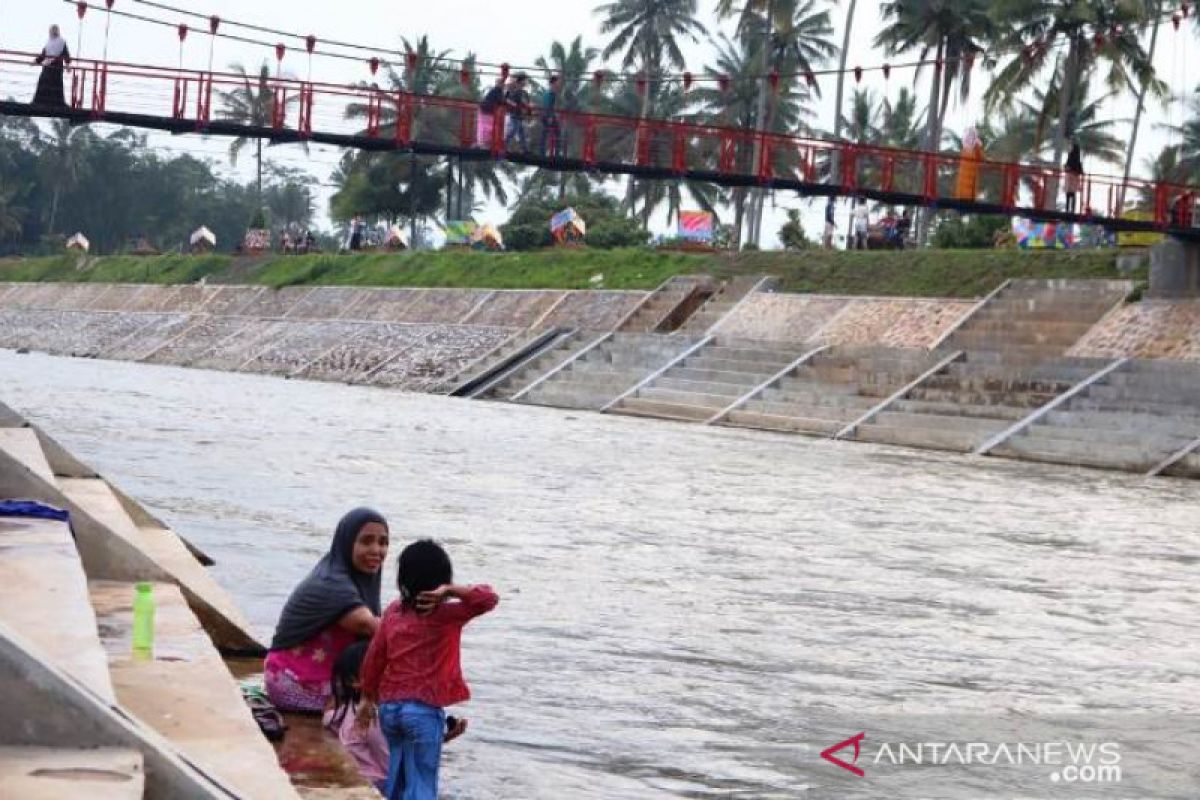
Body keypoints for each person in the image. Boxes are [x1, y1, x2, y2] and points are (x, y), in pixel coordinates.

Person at [361, 540, 498, 800]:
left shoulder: (393, 612)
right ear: (441, 581)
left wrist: (367, 697)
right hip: (422, 710)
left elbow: (374, 658)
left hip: (390, 709)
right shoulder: (447, 614)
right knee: (422, 782)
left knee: (398, 778)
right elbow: (488, 598)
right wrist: (450, 591)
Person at [264, 508, 390, 713]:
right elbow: (372, 627)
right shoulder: (332, 582)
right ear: (347, 543)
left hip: (314, 674)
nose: (376, 550)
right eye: (366, 541)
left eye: (383, 542)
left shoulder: (351, 576)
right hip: (292, 681)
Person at [327, 642, 468, 795]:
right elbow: (394, 765)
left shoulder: (348, 710)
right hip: (380, 785)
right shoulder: (373, 717)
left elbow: (329, 719)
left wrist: (438, 739)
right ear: (354, 681)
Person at [33, 25, 71, 108]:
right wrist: (36, 61)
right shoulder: (48, 42)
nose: (53, 31)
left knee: (56, 85)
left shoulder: (61, 41)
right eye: (52, 30)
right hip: (47, 66)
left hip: (57, 66)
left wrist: (68, 65)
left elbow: (65, 53)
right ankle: (40, 102)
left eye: (55, 30)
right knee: (43, 82)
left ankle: (57, 103)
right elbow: (43, 54)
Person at [955, 126, 985, 201]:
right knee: (964, 197)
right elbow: (981, 159)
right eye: (969, 136)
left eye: (973, 137)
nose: (970, 139)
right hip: (964, 190)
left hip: (971, 186)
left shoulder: (974, 150)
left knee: (967, 199)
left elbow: (982, 159)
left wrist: (978, 146)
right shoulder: (965, 151)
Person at [504, 73, 532, 153]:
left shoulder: (520, 91)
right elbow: (515, 101)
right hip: (515, 115)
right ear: (522, 81)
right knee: (513, 131)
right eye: (525, 81)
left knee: (521, 133)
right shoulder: (518, 91)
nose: (526, 82)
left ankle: (525, 150)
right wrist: (526, 105)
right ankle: (504, 146)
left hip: (518, 115)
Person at [477, 77, 505, 148]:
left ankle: (484, 143)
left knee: (486, 127)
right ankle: (484, 143)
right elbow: (501, 101)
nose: (501, 85)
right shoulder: (497, 91)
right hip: (487, 111)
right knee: (487, 127)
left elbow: (500, 101)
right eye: (500, 83)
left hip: (487, 110)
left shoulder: (495, 90)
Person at [540, 75, 562, 157]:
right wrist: (550, 116)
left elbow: (550, 106)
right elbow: (548, 105)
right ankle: (555, 153)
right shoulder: (551, 93)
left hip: (547, 115)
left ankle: (549, 152)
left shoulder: (549, 93)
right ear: (554, 82)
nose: (559, 84)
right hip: (548, 116)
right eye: (558, 82)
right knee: (553, 132)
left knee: (546, 133)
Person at [1065, 140, 1084, 214]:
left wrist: (1068, 169)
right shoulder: (1077, 158)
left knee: (1068, 194)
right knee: (1073, 194)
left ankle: (1067, 209)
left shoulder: (1070, 156)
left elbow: (1067, 166)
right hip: (1075, 177)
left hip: (1070, 177)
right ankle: (1072, 210)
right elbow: (1080, 170)